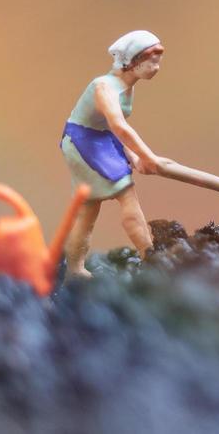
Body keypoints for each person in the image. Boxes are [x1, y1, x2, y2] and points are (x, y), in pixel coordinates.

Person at [59, 29, 171, 278]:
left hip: (100, 137)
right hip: (83, 141)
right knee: (123, 192)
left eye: (158, 60)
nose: (156, 67)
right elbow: (119, 125)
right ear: (132, 61)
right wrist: (149, 157)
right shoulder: (104, 87)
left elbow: (111, 127)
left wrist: (133, 154)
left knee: (88, 209)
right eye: (151, 61)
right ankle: (149, 257)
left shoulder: (126, 85)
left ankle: (75, 269)